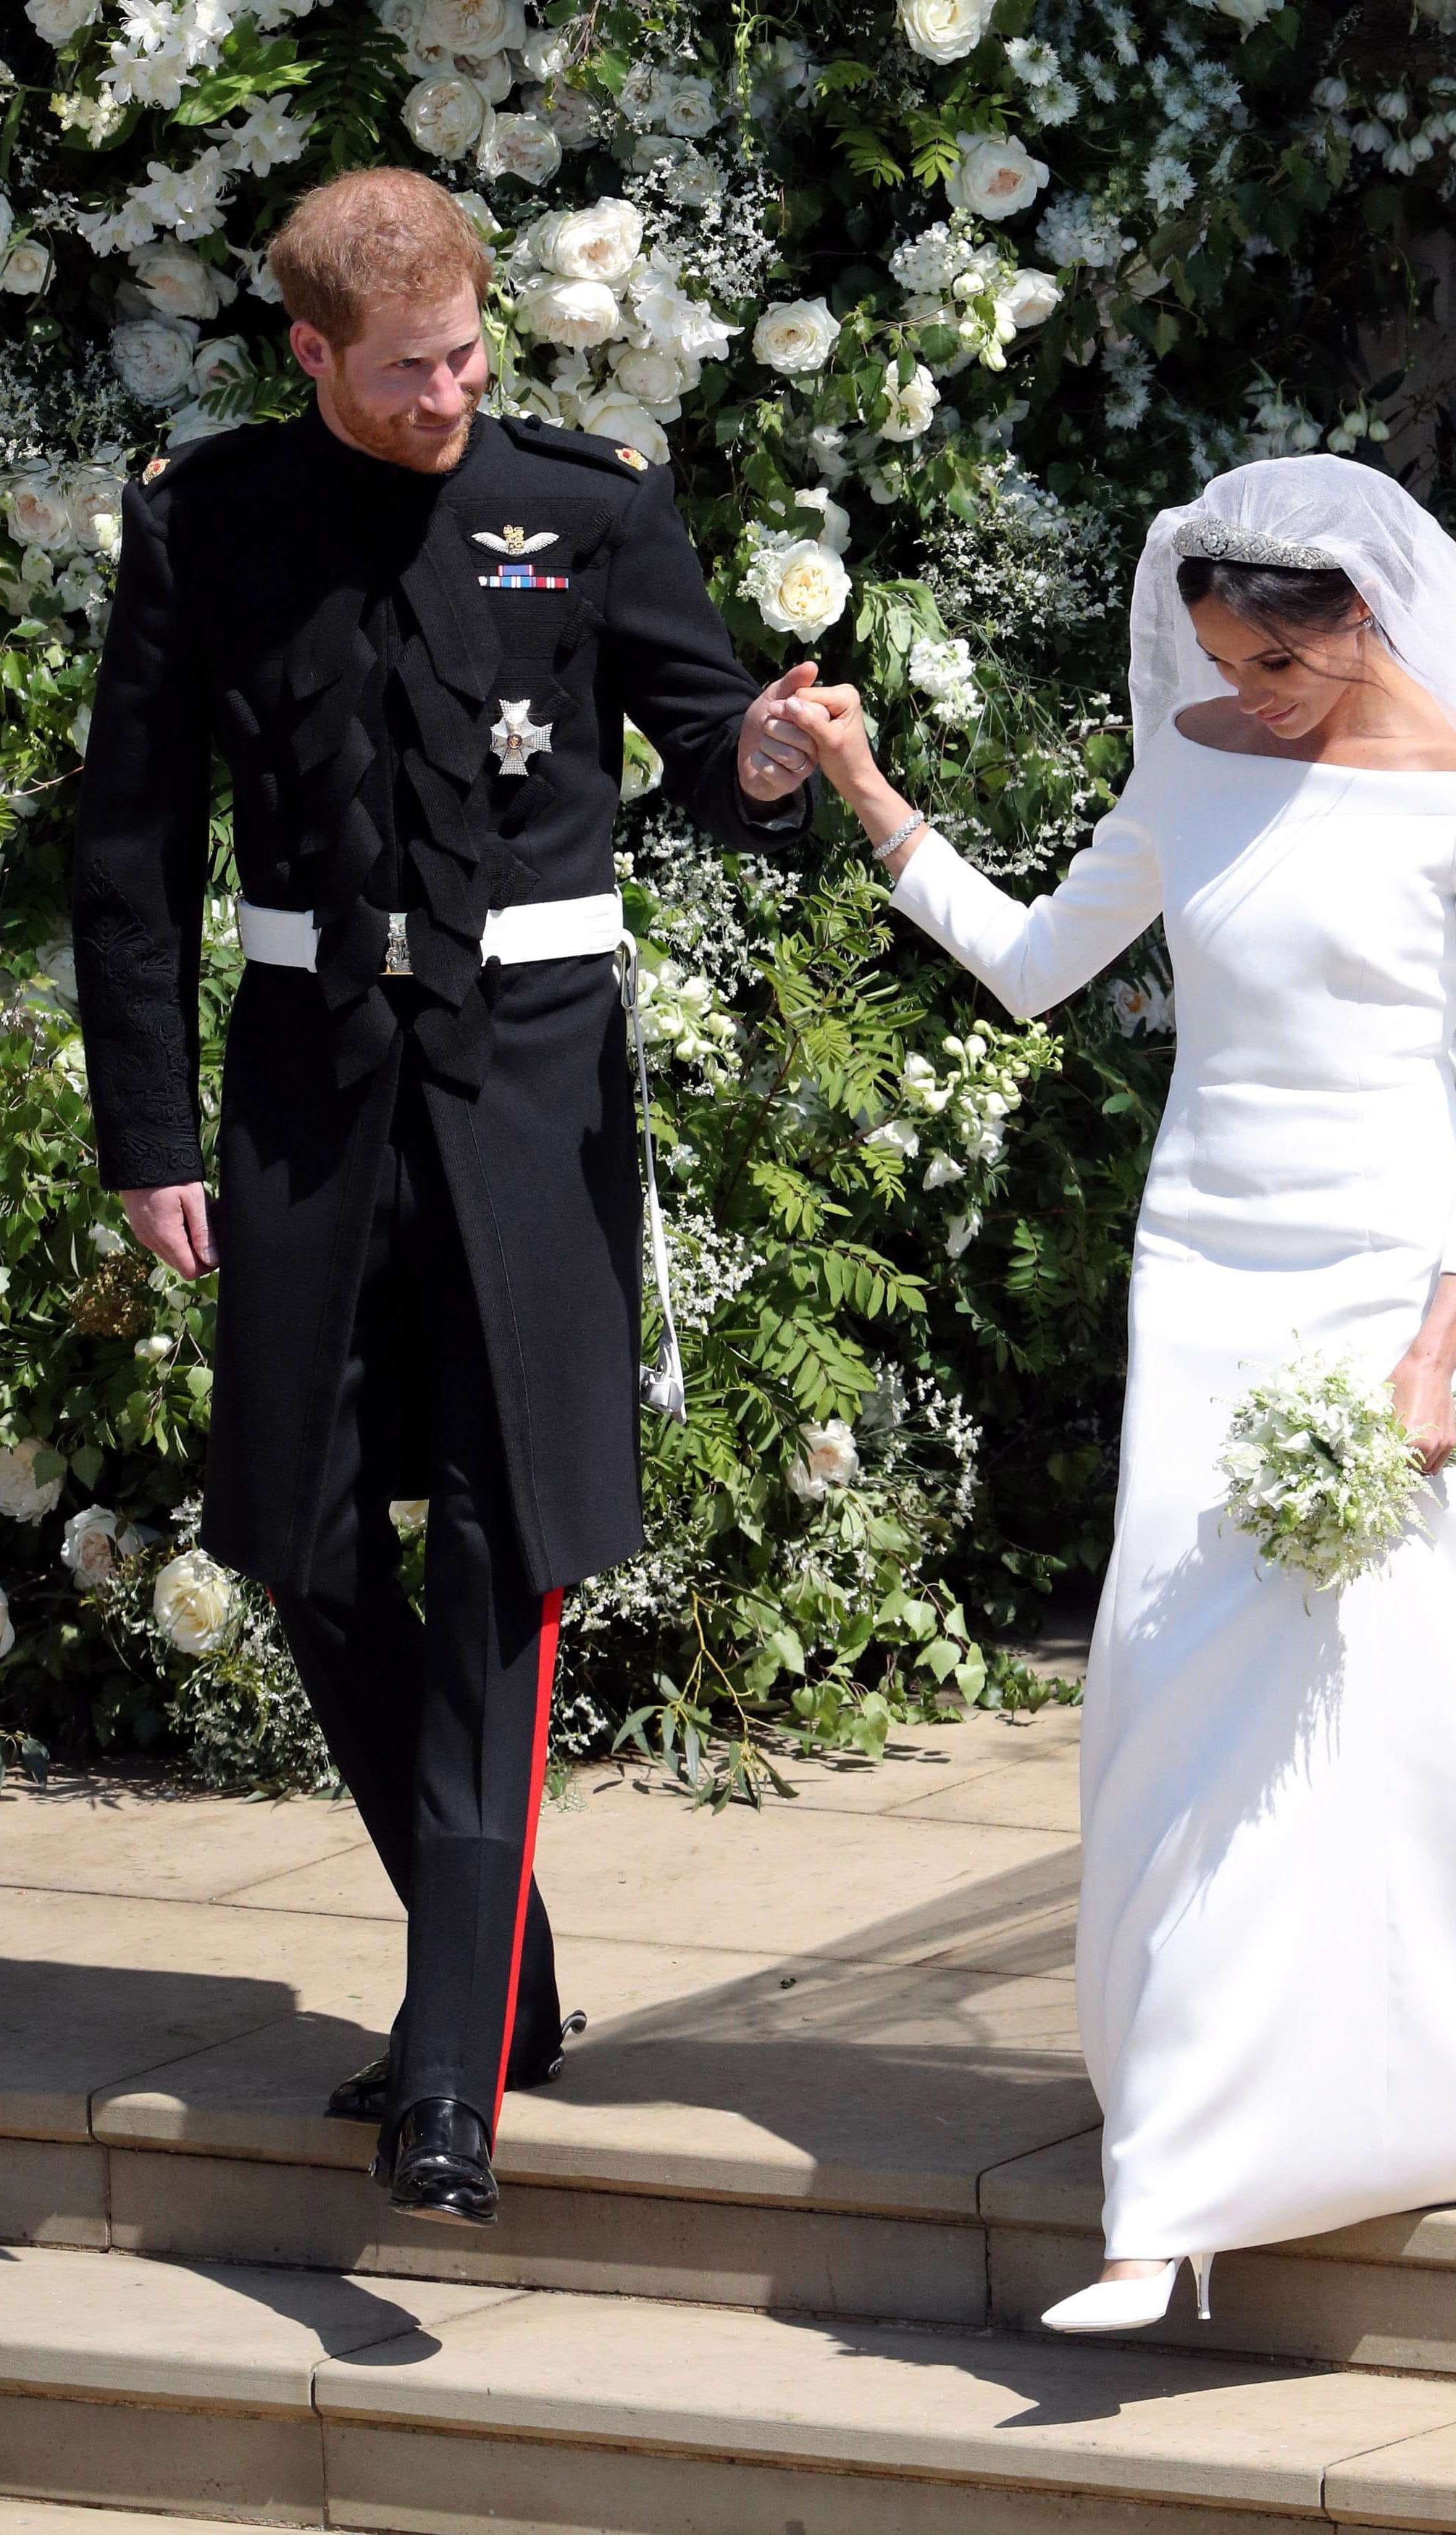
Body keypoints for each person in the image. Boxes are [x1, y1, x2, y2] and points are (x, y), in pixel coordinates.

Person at [795, 451, 1456, 2330]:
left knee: (1422, 1684)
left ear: (1364, 619)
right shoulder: (1194, 760)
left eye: (1276, 663)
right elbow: (1037, 964)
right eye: (1216, 660)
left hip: (1391, 1283)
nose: (1244, 693)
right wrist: (868, 787)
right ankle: (1185, 2166)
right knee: (1187, 1687)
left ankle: (1234, 2166)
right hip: (1205, 1269)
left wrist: (1435, 1351)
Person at [71, 168, 818, 2227]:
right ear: (311, 353)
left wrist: (766, 759)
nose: (453, 393)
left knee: (503, 1538)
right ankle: (504, 1962)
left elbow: (708, 739)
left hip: (527, 1089)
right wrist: (149, 1134)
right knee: (296, 1530)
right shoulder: (210, 518)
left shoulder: (587, 505)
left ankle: (447, 2077)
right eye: (409, 370)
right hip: (306, 1092)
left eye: (473, 354)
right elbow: (131, 843)